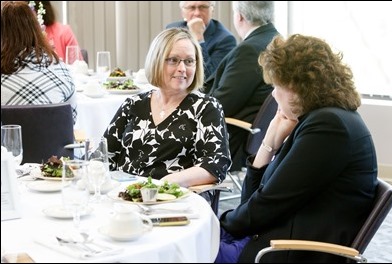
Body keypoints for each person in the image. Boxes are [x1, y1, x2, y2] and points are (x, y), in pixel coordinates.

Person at [215, 34, 378, 263]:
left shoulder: (328, 128)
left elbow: (268, 204)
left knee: (185, 252)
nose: (273, 93)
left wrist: (219, 224)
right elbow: (255, 201)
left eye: (276, 85)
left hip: (285, 251)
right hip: (272, 238)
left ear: (295, 85)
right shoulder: (323, 120)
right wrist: (268, 144)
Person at [103, 27, 231, 188]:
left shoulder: (206, 107)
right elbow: (104, 155)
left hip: (173, 199)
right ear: (156, 61)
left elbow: (216, 164)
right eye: (173, 60)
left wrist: (164, 184)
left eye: (189, 61)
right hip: (124, 196)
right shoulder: (133, 103)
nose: (182, 69)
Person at [204, 1, 279, 172]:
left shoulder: (250, 50)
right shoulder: (274, 39)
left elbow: (222, 103)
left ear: (239, 16)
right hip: (258, 132)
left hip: (233, 136)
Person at [1, 1, 77, 124]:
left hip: (7, 143)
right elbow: (72, 119)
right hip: (54, 142)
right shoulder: (62, 72)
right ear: (36, 30)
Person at [166, 1, 236, 80]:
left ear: (212, 10)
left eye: (203, 7)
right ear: (183, 11)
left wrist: (198, 39)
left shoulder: (225, 39)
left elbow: (209, 78)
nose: (197, 13)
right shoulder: (172, 29)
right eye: (191, 7)